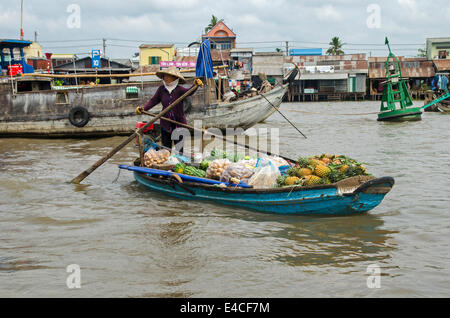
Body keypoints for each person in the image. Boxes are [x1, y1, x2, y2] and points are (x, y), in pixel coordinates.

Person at [136, 67, 203, 154]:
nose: (165, 78)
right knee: (166, 148)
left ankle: (179, 162)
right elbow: (153, 100)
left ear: (174, 78)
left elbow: (189, 92)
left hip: (179, 123)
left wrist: (195, 86)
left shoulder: (179, 90)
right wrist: (143, 108)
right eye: (164, 76)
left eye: (168, 76)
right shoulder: (161, 90)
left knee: (179, 149)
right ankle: (167, 163)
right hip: (165, 123)